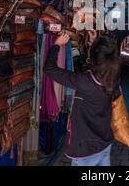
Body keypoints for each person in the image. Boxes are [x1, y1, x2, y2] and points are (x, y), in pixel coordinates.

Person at [44, 31, 122, 166]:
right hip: (104, 144)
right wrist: (93, 44)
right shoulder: (113, 78)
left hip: (86, 151)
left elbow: (49, 69)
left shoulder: (84, 82)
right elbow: (97, 64)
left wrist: (56, 45)